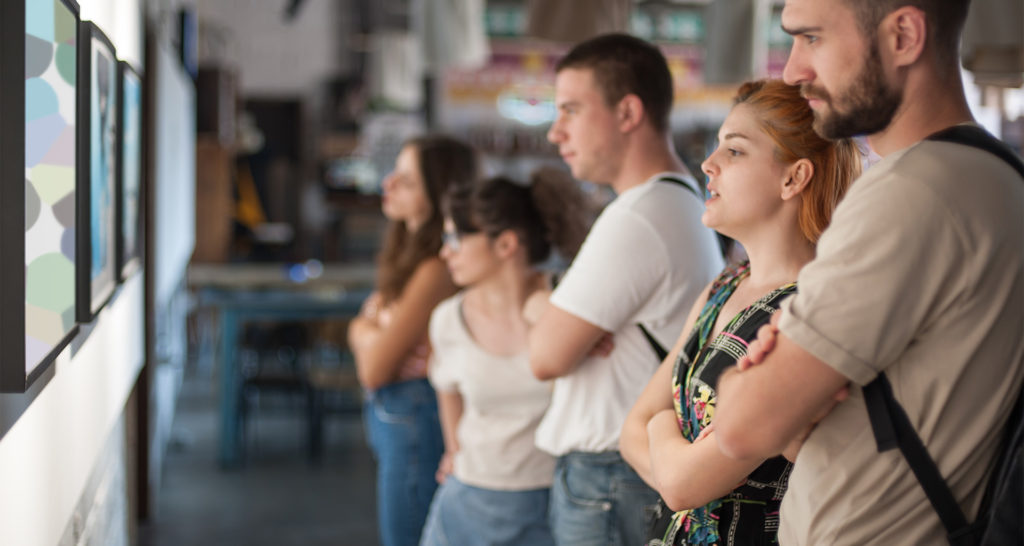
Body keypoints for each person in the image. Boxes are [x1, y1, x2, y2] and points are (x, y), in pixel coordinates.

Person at [710, 1, 1024, 544]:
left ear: (903, 35)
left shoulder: (909, 193)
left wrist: (752, 380)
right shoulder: (998, 174)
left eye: (811, 39)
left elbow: (741, 428)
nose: (792, 71)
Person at [620, 79, 860, 546]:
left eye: (734, 151)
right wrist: (669, 454)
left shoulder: (807, 310)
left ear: (793, 178)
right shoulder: (724, 285)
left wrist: (660, 430)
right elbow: (633, 428)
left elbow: (680, 481)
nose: (708, 165)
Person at [528, 33, 725, 546]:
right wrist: (557, 314)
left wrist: (548, 315)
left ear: (628, 112)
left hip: (609, 479)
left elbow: (545, 355)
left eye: (571, 110)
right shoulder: (676, 200)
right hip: (625, 471)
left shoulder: (638, 217)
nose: (556, 132)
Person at [420, 168, 590, 546]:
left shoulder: (569, 304)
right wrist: (453, 449)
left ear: (506, 244)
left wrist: (541, 309)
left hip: (555, 501)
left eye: (456, 237)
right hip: (468, 501)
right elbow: (446, 387)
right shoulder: (448, 319)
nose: (444, 251)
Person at [347, 135, 478, 546]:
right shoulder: (413, 259)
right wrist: (369, 331)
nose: (388, 184)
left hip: (415, 415)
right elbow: (363, 326)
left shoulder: (437, 268)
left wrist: (366, 331)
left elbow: (373, 368)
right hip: (402, 413)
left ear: (438, 193)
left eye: (405, 180)